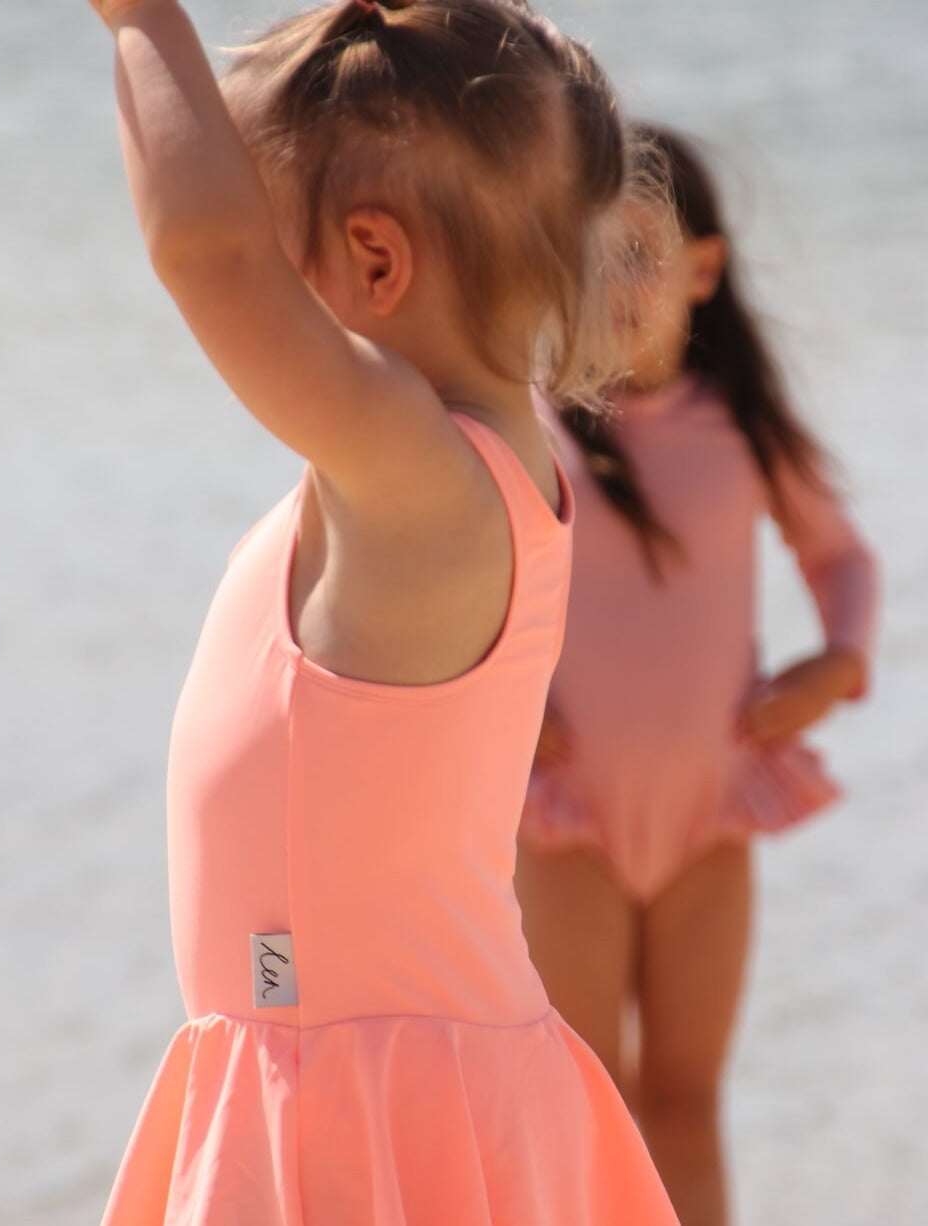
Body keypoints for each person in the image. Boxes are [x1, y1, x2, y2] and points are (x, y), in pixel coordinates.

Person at [85, 1, 679, 1222]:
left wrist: (140, 18)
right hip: (390, 1073)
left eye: (274, 228)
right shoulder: (462, 470)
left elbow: (207, 257)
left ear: (372, 261)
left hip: (359, 1111)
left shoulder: (427, 488)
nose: (260, 301)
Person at [516, 123, 879, 1226]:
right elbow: (449, 584)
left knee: (685, 1099)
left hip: (710, 813)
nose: (617, 285)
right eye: (592, 257)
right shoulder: (528, 427)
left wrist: (837, 663)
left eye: (644, 254)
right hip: (564, 819)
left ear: (705, 270)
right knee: (586, 1102)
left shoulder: (743, 425)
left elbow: (839, 554)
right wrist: (502, 711)